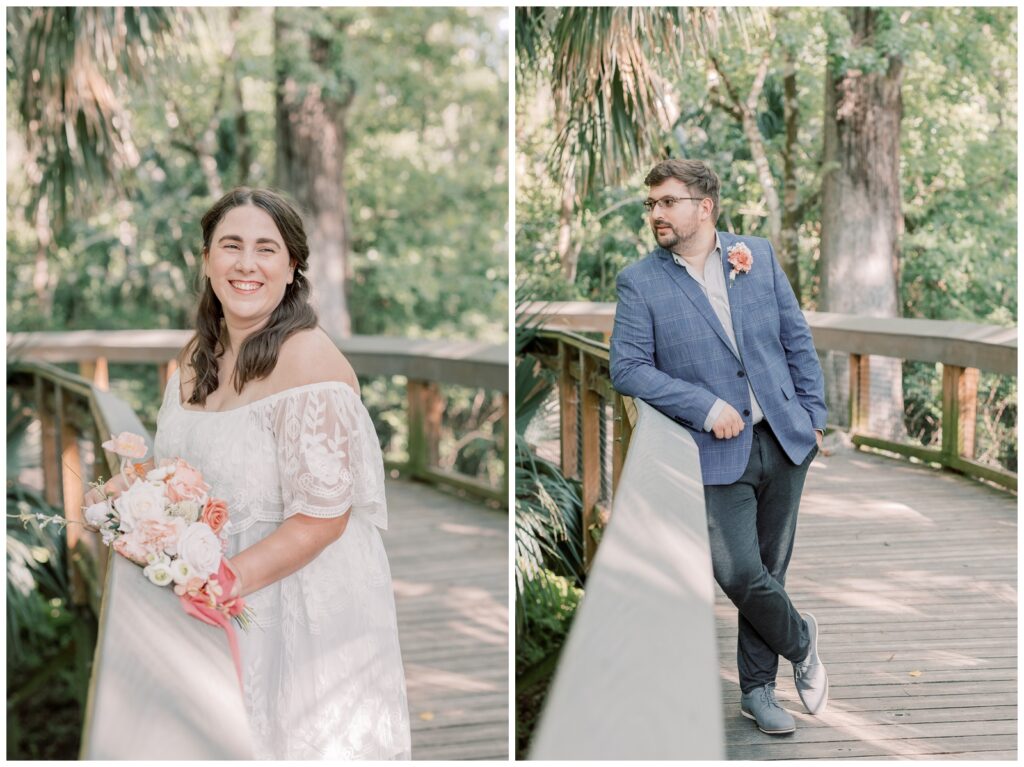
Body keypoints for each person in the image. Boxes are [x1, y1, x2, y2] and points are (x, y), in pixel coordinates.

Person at [89, 188, 411, 759]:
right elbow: (181, 471)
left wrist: (223, 584)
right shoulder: (196, 358)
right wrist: (133, 502)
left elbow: (322, 518)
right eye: (230, 245)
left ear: (292, 268)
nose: (246, 263)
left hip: (292, 602)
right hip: (208, 586)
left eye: (266, 249)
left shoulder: (310, 361)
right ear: (207, 259)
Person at [609, 159, 828, 736]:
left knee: (770, 571)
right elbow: (627, 368)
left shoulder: (755, 255)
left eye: (668, 202)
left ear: (704, 208)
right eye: (651, 204)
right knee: (737, 571)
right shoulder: (640, 281)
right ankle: (801, 639)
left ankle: (759, 692)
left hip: (783, 439)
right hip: (711, 449)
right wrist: (703, 406)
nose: (655, 212)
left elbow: (795, 338)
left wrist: (814, 416)